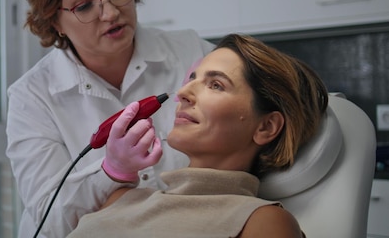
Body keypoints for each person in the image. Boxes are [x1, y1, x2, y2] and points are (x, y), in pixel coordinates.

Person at [5, 0, 214, 237]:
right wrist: (110, 171)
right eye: (84, 5)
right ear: (54, 20)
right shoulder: (31, 97)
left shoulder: (190, 51)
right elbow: (50, 220)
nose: (111, 12)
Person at [66, 33, 328, 238]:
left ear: (266, 127)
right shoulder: (121, 198)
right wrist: (116, 171)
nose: (183, 93)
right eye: (192, 78)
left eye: (216, 85)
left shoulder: (261, 221)